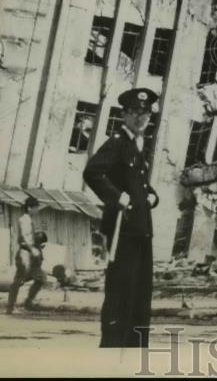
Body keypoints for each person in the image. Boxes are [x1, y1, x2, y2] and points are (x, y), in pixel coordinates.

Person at [83, 88, 160, 348]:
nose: (141, 118)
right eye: (136, 113)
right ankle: (113, 351)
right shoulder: (117, 142)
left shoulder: (138, 146)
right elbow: (92, 172)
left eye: (146, 113)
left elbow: (139, 184)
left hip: (141, 230)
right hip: (123, 230)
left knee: (140, 295)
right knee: (121, 294)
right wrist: (116, 198)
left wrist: (151, 196)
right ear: (125, 115)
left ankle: (135, 351)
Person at [7, 196, 47, 313]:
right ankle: (11, 307)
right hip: (25, 252)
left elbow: (31, 236)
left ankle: (29, 302)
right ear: (29, 208)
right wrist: (31, 249)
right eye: (35, 208)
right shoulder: (24, 220)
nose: (37, 210)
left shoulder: (30, 220)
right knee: (19, 280)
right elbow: (24, 236)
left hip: (32, 252)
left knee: (40, 278)